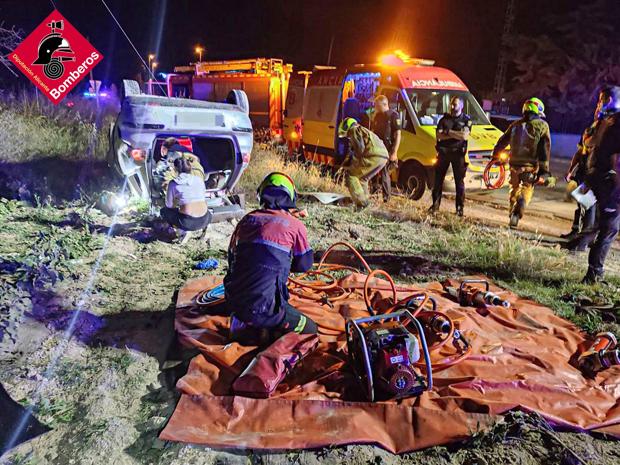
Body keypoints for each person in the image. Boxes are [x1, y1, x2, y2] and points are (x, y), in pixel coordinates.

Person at [224, 172, 318, 345]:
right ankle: (269, 332)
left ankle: (243, 325)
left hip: (233, 302)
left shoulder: (245, 220)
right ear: (291, 198)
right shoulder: (295, 225)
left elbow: (232, 260)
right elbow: (305, 264)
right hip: (266, 309)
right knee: (310, 330)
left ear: (261, 195)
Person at [493, 97, 551, 228]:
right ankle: (519, 207)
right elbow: (544, 148)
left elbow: (502, 141)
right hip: (530, 167)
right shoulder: (542, 126)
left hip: (513, 165)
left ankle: (512, 211)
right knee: (527, 188)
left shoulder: (515, 125)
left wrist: (495, 155)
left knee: (514, 188)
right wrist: (544, 170)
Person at [581, 85, 620, 283]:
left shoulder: (604, 121)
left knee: (600, 223)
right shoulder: (614, 122)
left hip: (594, 177)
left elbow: (589, 143)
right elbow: (614, 157)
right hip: (606, 181)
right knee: (609, 227)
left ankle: (592, 267)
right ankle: (594, 273)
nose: (599, 104)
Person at [561, 110, 600, 246]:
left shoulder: (610, 130)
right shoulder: (591, 128)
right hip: (584, 174)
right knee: (583, 205)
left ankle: (586, 240)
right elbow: (580, 152)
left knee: (591, 207)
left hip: (596, 176)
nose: (598, 108)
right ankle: (577, 233)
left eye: (602, 102)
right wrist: (571, 171)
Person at [429, 96, 472, 216]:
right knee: (438, 181)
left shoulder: (466, 120)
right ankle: (435, 205)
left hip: (458, 154)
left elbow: (464, 136)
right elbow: (438, 135)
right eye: (452, 104)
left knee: (459, 182)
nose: (452, 107)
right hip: (443, 153)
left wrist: (448, 132)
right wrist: (455, 134)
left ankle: (459, 208)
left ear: (461, 106)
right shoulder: (444, 119)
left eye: (455, 104)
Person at [338, 117, 389, 210]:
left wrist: (352, 162)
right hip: (383, 157)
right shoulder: (363, 130)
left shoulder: (354, 130)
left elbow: (359, 150)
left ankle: (362, 204)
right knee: (362, 179)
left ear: (347, 127)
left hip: (373, 155)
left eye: (347, 135)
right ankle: (365, 203)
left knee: (351, 176)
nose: (348, 137)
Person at [160, 157, 212, 232]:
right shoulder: (199, 179)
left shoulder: (174, 183)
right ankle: (205, 227)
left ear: (175, 169)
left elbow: (169, 205)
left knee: (164, 212)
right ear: (190, 167)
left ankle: (179, 231)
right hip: (206, 218)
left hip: (188, 223)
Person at [370, 95, 401, 202]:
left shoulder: (393, 116)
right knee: (373, 172)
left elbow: (398, 135)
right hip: (377, 149)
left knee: (384, 174)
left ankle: (386, 199)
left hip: (387, 150)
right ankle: (373, 194)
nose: (376, 108)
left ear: (385, 104)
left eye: (378, 106)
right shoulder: (378, 116)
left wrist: (394, 152)